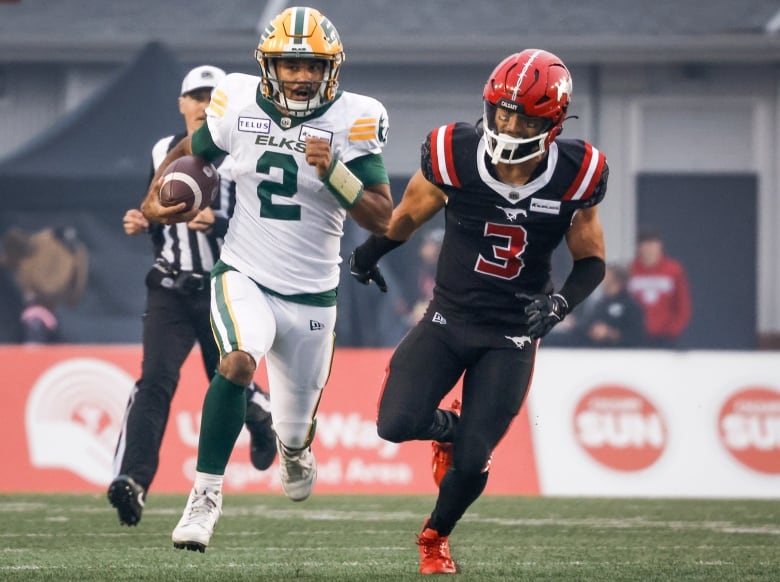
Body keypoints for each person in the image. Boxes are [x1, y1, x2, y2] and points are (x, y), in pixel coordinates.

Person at [139, 7, 392, 552]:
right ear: (268, 65)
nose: (300, 76)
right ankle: (205, 496)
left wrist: (334, 172)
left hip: (313, 295)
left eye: (312, 65)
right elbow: (190, 151)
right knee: (236, 361)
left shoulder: (355, 116)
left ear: (331, 69)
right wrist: (153, 197)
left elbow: (382, 216)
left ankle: (294, 448)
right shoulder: (237, 101)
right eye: (289, 64)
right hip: (244, 272)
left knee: (295, 428)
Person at [350, 49, 608, 575]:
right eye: (503, 113)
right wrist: (365, 256)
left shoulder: (577, 173)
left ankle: (434, 538)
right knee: (395, 424)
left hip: (510, 335)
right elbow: (406, 217)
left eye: (525, 118)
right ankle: (451, 428)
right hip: (448, 319)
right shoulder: (454, 153)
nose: (510, 126)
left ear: (553, 124)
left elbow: (592, 261)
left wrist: (560, 304)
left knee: (472, 461)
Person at [108, 65, 277, 528]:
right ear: (182, 104)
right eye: (196, 97)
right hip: (170, 287)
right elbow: (154, 208)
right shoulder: (163, 149)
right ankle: (133, 480)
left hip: (225, 286)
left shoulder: (244, 150)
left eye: (212, 97)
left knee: (226, 378)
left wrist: (218, 224)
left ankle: (262, 417)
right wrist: (143, 220)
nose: (204, 105)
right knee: (154, 381)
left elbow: (268, 224)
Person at [546, 263, 645, 348]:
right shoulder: (601, 303)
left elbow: (636, 336)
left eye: (606, 276)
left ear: (617, 281)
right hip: (591, 347)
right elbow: (589, 323)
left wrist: (610, 333)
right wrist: (576, 323)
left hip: (618, 352)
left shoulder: (631, 306)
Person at [627, 228, 692, 348]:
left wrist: (673, 329)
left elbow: (682, 303)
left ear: (660, 246)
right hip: (637, 336)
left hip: (666, 336)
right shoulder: (631, 270)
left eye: (653, 246)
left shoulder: (674, 270)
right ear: (639, 248)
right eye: (645, 246)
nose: (649, 250)